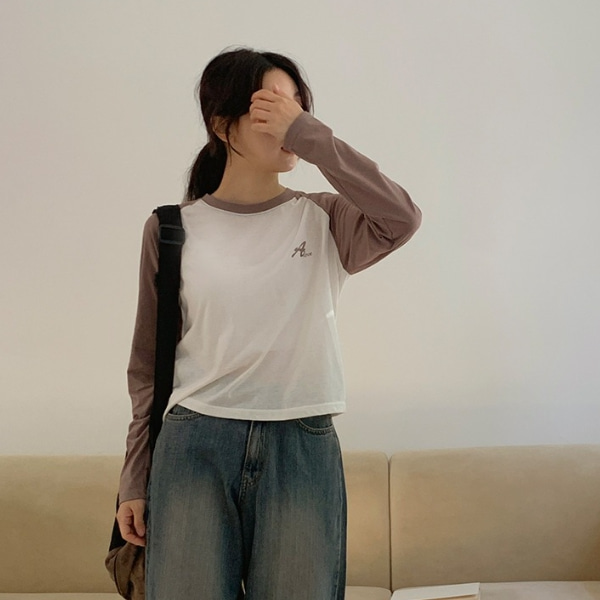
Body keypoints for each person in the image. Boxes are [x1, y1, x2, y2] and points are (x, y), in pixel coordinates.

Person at [115, 45, 422, 600]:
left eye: (296, 104)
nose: (287, 116)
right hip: (193, 443)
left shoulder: (325, 217)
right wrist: (135, 476)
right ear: (221, 124)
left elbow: (400, 217)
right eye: (270, 105)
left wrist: (307, 134)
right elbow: (146, 367)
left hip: (302, 443)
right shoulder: (171, 229)